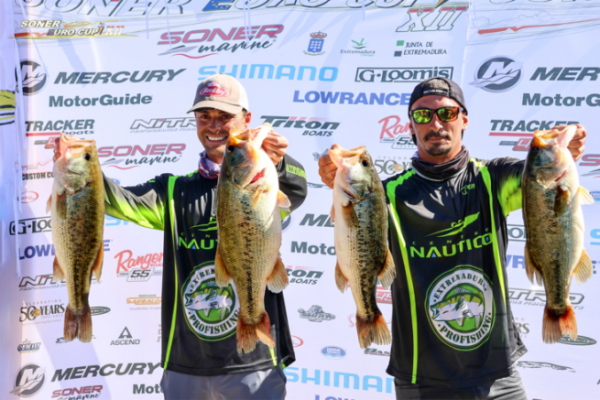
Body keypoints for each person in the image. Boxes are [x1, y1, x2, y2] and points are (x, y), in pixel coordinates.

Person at [318, 77, 586, 400]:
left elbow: (540, 181)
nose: (435, 123)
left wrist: (561, 151)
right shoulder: (386, 193)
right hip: (420, 378)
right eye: (422, 115)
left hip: (497, 374)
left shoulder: (494, 178)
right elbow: (353, 226)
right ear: (410, 126)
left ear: (464, 120)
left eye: (446, 113)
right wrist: (332, 178)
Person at [54, 74, 308, 400]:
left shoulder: (266, 184)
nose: (213, 125)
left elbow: (298, 190)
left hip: (255, 361)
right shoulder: (173, 191)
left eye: (225, 117)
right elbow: (113, 200)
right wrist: (77, 165)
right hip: (185, 364)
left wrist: (280, 162)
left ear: (247, 119)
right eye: (205, 117)